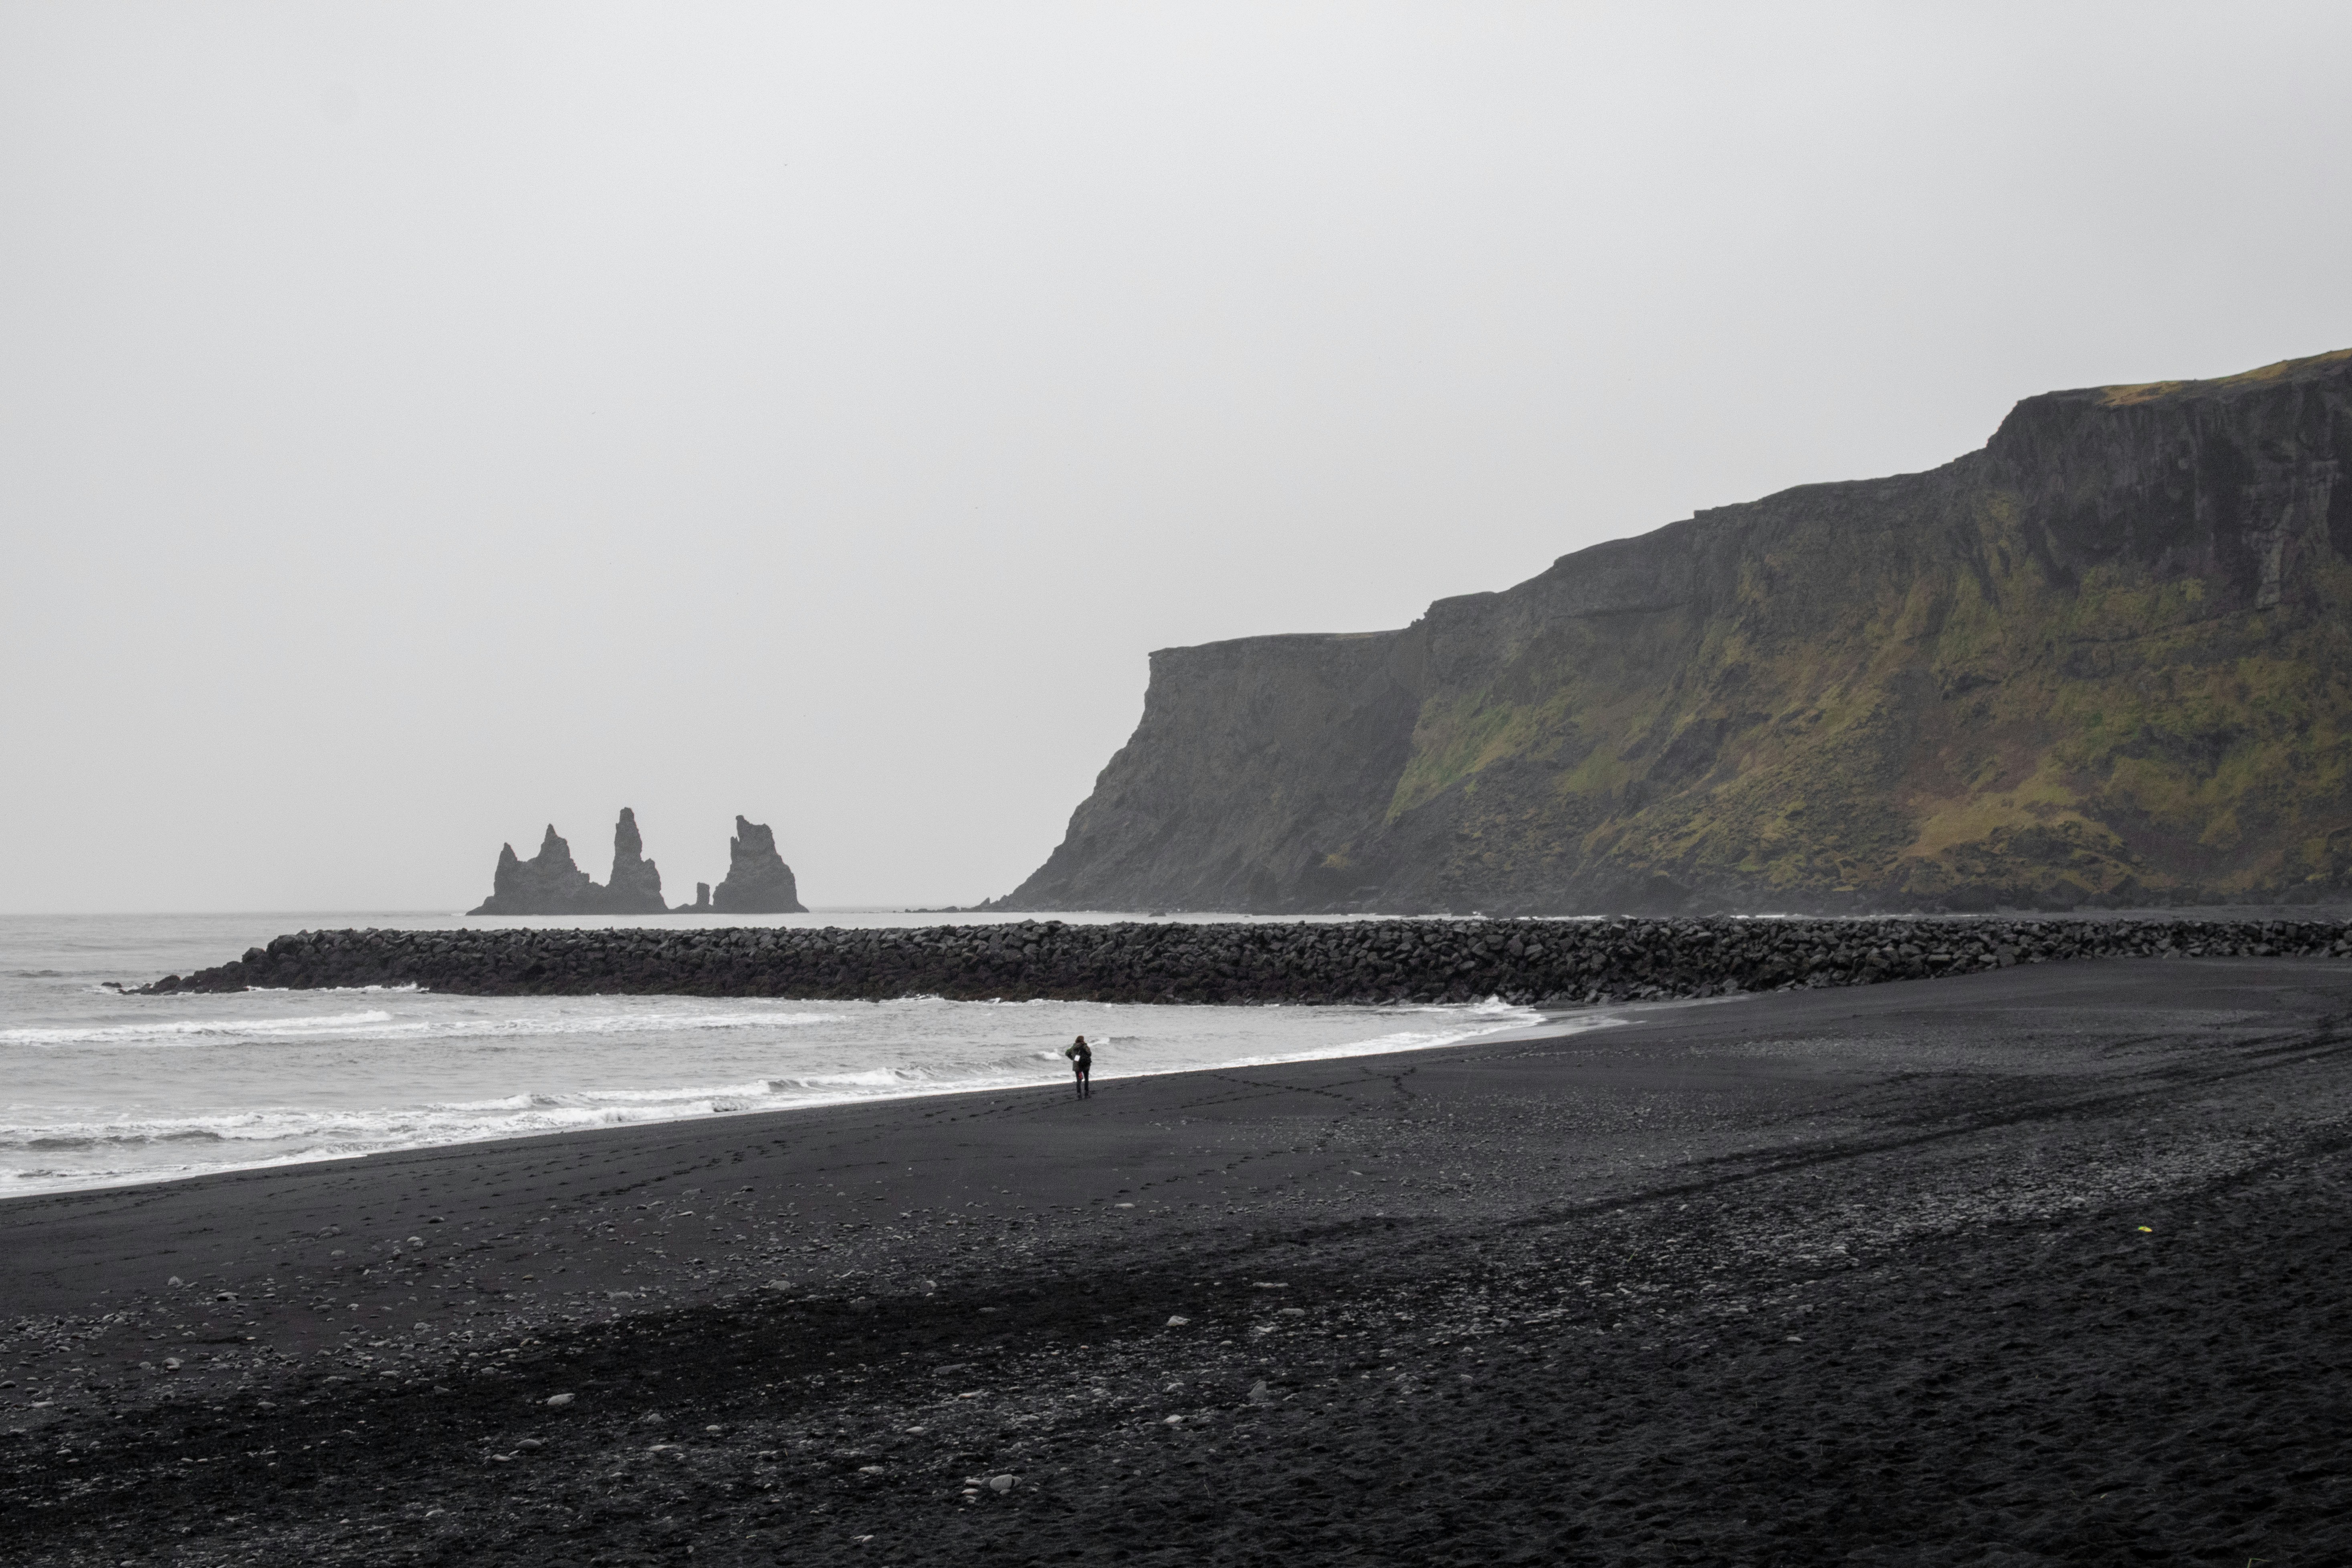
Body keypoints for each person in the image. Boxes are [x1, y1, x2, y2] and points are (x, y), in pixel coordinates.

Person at [1062, 1034, 1093, 1098]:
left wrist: (1073, 1059)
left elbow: (1067, 1053)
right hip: (1085, 1064)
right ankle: (1086, 1091)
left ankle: (1079, 1093)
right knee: (1086, 1078)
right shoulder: (1085, 1046)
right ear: (1082, 1040)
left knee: (1079, 1080)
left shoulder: (1073, 1047)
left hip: (1077, 1065)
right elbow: (1090, 1054)